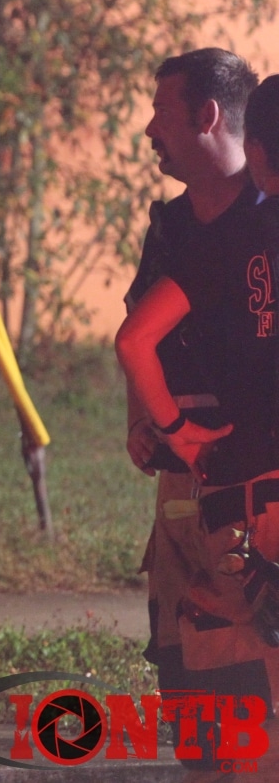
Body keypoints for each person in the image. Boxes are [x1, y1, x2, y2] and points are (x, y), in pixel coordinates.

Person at [117, 55, 279, 743]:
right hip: (189, 481)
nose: (150, 128)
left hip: (251, 485)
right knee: (188, 669)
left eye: (162, 110)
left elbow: (136, 338)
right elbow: (138, 332)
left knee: (251, 669)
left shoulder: (254, 224)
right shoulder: (174, 227)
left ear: (209, 116)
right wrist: (151, 422)